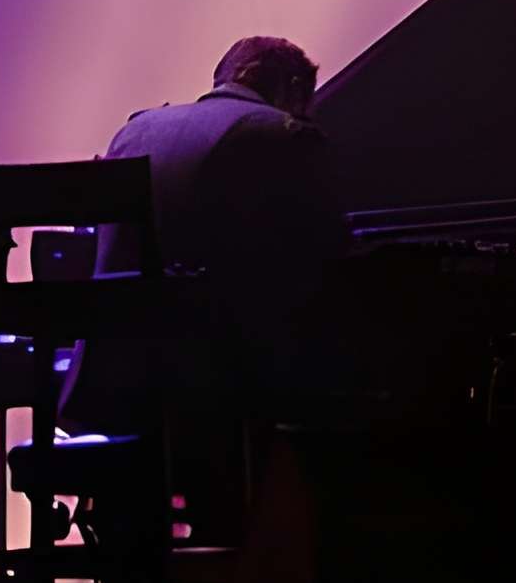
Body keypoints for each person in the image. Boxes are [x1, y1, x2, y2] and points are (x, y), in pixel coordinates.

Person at [62, 35, 345, 436]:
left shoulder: (135, 130)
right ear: (294, 90)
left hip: (110, 385)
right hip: (209, 390)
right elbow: (327, 251)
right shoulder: (282, 133)